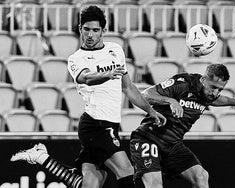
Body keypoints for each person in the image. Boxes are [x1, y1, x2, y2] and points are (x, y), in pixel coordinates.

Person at [10, 5, 166, 188]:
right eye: (86, 29)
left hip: (111, 124)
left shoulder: (115, 50)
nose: (90, 35)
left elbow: (128, 88)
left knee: (88, 184)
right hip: (95, 126)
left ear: (103, 31)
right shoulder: (76, 59)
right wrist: (106, 75)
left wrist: (151, 111)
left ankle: (41, 157)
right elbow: (86, 78)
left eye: (95, 30)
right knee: (126, 171)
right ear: (80, 29)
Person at [129, 63, 235, 188]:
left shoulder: (208, 95)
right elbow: (145, 95)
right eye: (213, 87)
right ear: (203, 80)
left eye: (220, 89)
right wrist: (171, 101)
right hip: (148, 138)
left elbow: (218, 99)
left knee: (201, 176)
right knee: (155, 184)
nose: (215, 93)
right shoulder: (184, 83)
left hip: (173, 145)